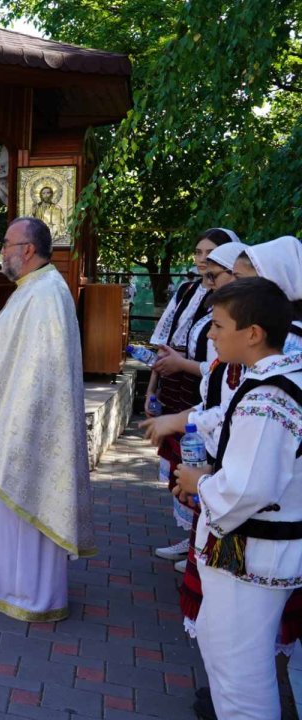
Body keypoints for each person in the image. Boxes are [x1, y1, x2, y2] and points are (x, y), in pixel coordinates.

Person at [0, 217, 95, 621]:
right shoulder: (37, 289)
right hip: (7, 415)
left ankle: (20, 591)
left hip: (19, 425)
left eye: (7, 244)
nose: (2, 252)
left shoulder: (45, 294)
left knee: (12, 505)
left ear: (28, 250)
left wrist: (13, 422)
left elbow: (39, 377)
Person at [172, 278, 302, 720]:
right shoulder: (276, 380)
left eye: (218, 325)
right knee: (224, 650)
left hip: (251, 556)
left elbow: (250, 489)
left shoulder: (267, 396)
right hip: (254, 553)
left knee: (239, 674)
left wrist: (198, 483)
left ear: (253, 333)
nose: (210, 334)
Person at [147, 228, 241, 562]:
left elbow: (218, 365)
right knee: (181, 465)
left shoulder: (237, 307)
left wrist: (182, 365)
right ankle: (190, 537)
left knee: (201, 466)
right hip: (180, 394)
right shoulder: (187, 290)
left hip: (200, 397)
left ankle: (199, 544)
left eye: (212, 254)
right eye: (199, 253)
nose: (203, 260)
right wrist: (152, 389)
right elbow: (164, 344)